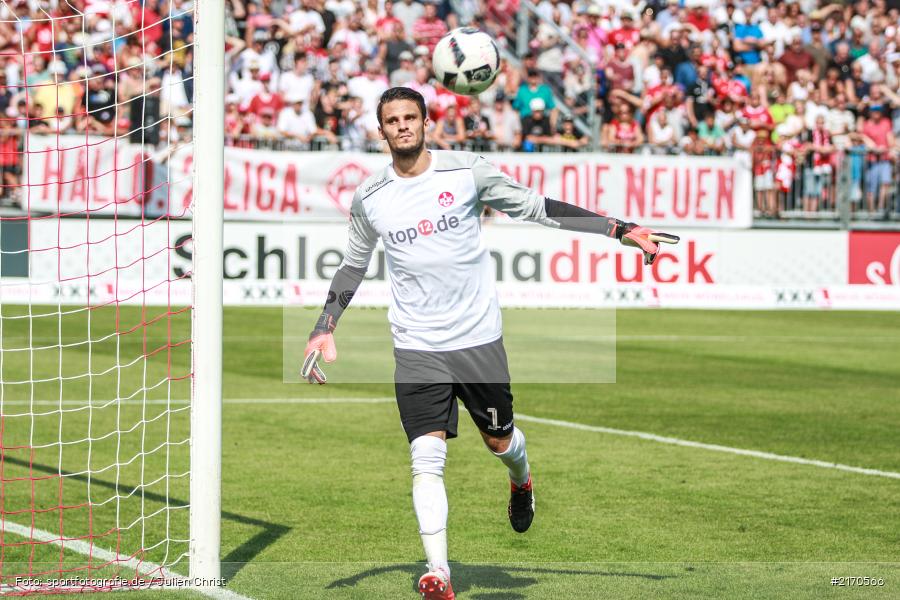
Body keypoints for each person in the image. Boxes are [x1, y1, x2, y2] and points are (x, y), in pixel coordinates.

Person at [300, 87, 672, 600]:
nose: (402, 126)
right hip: (416, 346)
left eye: (411, 117)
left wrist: (619, 229)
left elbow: (539, 209)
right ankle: (439, 574)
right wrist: (326, 324)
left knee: (501, 443)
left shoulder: (467, 172)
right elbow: (353, 263)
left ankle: (521, 479)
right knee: (425, 457)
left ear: (426, 122)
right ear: (380, 129)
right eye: (392, 120)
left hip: (477, 340)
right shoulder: (370, 198)